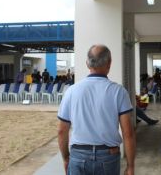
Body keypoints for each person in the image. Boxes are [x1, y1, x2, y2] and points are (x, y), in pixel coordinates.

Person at [57, 44, 135, 175]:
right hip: (108, 156)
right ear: (109, 64)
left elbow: (61, 131)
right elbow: (128, 133)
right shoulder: (119, 92)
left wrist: (66, 158)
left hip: (78, 156)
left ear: (87, 63)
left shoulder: (71, 91)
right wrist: (131, 166)